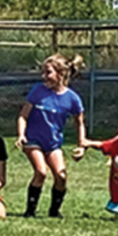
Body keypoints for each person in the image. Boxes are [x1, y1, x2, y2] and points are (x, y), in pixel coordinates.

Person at [16, 53, 86, 218]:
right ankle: (30, 211)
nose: (44, 76)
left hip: (53, 143)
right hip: (33, 140)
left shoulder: (72, 98)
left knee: (61, 176)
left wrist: (81, 145)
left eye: (48, 72)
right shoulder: (38, 91)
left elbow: (80, 122)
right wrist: (21, 135)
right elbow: (23, 115)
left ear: (60, 74)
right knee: (41, 172)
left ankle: (54, 211)